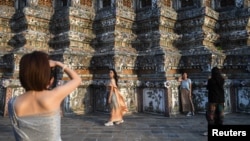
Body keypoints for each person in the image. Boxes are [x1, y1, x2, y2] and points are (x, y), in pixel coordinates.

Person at [7, 51, 82, 141]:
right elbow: (77, 79)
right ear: (50, 80)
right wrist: (59, 64)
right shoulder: (54, 96)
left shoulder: (13, 104)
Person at [203, 67, 225, 136]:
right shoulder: (222, 80)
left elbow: (208, 87)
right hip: (221, 100)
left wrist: (208, 79)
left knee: (211, 115)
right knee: (220, 115)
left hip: (213, 100)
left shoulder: (211, 80)